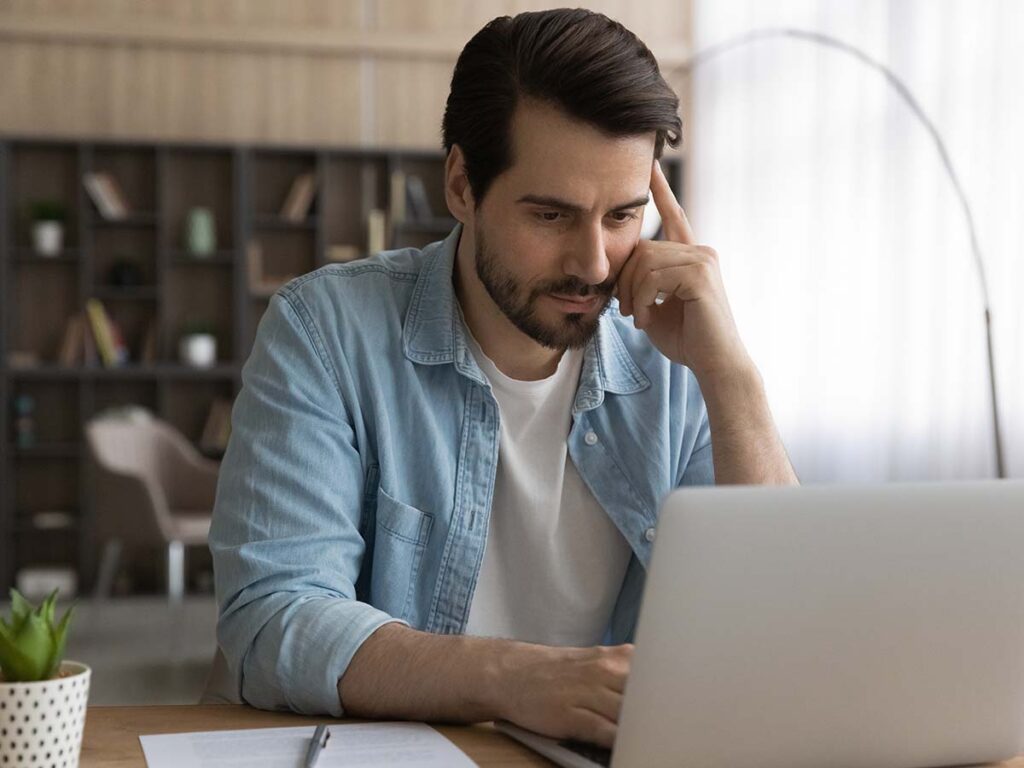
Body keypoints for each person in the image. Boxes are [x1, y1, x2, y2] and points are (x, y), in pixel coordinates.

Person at [207, 7, 798, 749]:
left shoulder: (675, 358)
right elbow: (273, 616)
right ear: (461, 184)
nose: (593, 262)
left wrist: (732, 375)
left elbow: (783, 623)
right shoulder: (326, 331)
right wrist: (516, 680)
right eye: (551, 215)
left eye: (623, 216)